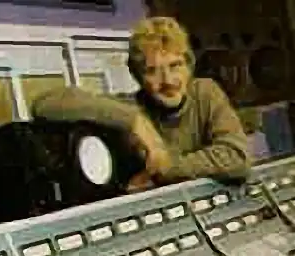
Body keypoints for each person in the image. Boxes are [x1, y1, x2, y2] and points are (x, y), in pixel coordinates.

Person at [32, 16, 251, 192]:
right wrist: (135, 121)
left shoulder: (205, 92)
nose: (168, 81)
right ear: (137, 76)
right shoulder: (129, 108)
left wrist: (165, 170)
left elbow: (237, 157)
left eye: (175, 65)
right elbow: (43, 104)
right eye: (152, 71)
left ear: (189, 66)